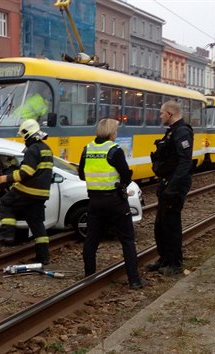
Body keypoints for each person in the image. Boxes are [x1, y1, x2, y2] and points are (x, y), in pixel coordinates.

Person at [78, 118, 143, 289]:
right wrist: (121, 185)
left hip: (94, 201)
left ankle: (89, 276)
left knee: (91, 239)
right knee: (127, 240)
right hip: (115, 201)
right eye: (116, 131)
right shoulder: (114, 150)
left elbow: (81, 175)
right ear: (111, 132)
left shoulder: (87, 149)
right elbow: (126, 175)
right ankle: (134, 280)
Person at [0, 119, 53, 264]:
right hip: (41, 194)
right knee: (37, 224)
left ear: (28, 134)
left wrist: (6, 178)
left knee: (6, 203)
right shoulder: (46, 148)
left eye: (23, 136)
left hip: (28, 190)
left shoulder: (33, 149)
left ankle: (7, 236)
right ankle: (43, 257)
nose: (23, 139)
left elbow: (26, 173)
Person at [148, 100, 194, 276]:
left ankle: (175, 263)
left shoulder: (182, 132)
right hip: (167, 181)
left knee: (171, 225)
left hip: (175, 184)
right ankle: (164, 259)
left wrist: (173, 187)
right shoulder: (172, 132)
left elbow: (185, 162)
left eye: (161, 113)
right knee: (161, 224)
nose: (160, 116)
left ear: (170, 113)